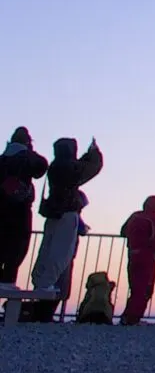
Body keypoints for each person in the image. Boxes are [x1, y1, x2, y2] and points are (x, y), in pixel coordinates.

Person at [27, 136, 103, 321]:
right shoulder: (67, 168)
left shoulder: (57, 166)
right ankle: (45, 286)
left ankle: (41, 284)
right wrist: (94, 154)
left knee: (49, 250)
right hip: (66, 214)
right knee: (61, 253)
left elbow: (80, 169)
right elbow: (88, 169)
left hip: (55, 213)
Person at [0, 127, 49, 285]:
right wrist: (30, 151)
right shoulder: (27, 158)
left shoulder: (2, 159)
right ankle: (8, 280)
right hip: (20, 211)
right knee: (16, 248)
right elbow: (41, 167)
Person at [120, 195, 155, 325]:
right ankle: (132, 318)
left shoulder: (135, 216)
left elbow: (122, 231)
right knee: (145, 288)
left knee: (135, 287)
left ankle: (128, 317)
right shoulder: (154, 219)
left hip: (133, 254)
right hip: (147, 256)